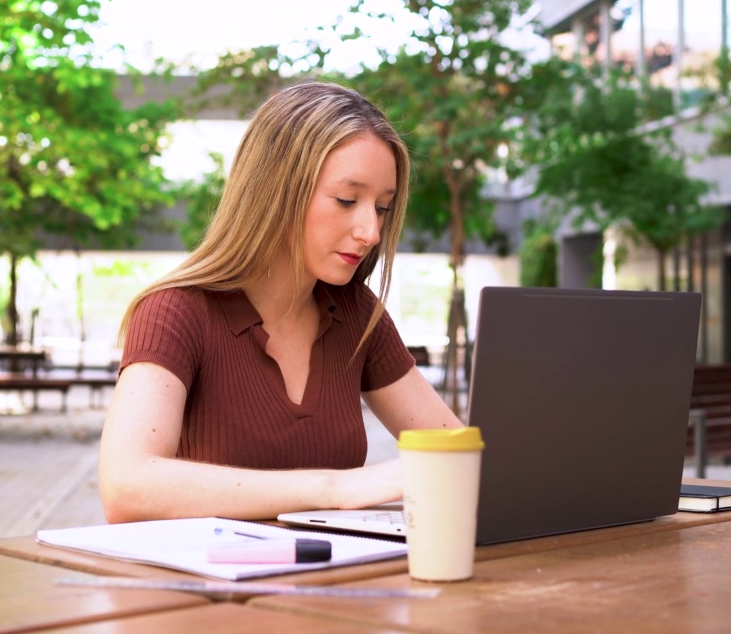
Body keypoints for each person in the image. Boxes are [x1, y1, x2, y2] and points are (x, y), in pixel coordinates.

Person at [98, 81, 462, 524]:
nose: (371, 232)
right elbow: (126, 488)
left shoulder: (357, 315)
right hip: (207, 591)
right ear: (276, 190)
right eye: (347, 200)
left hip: (334, 585)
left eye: (382, 208)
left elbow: (455, 453)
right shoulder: (176, 312)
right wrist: (335, 488)